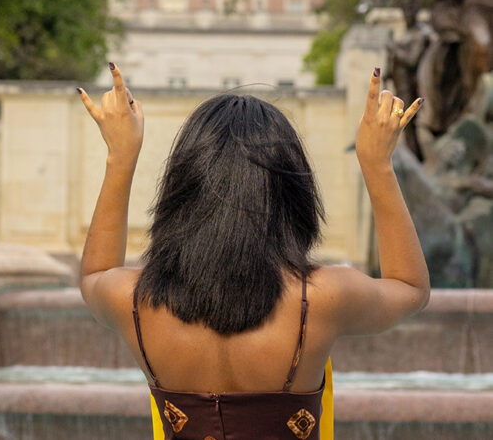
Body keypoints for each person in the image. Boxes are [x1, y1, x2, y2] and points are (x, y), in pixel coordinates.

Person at [77, 63, 430, 440]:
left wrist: (120, 156)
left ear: (180, 190)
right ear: (290, 193)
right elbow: (410, 287)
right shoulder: (321, 298)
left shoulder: (133, 301)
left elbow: (93, 276)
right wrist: (377, 165)